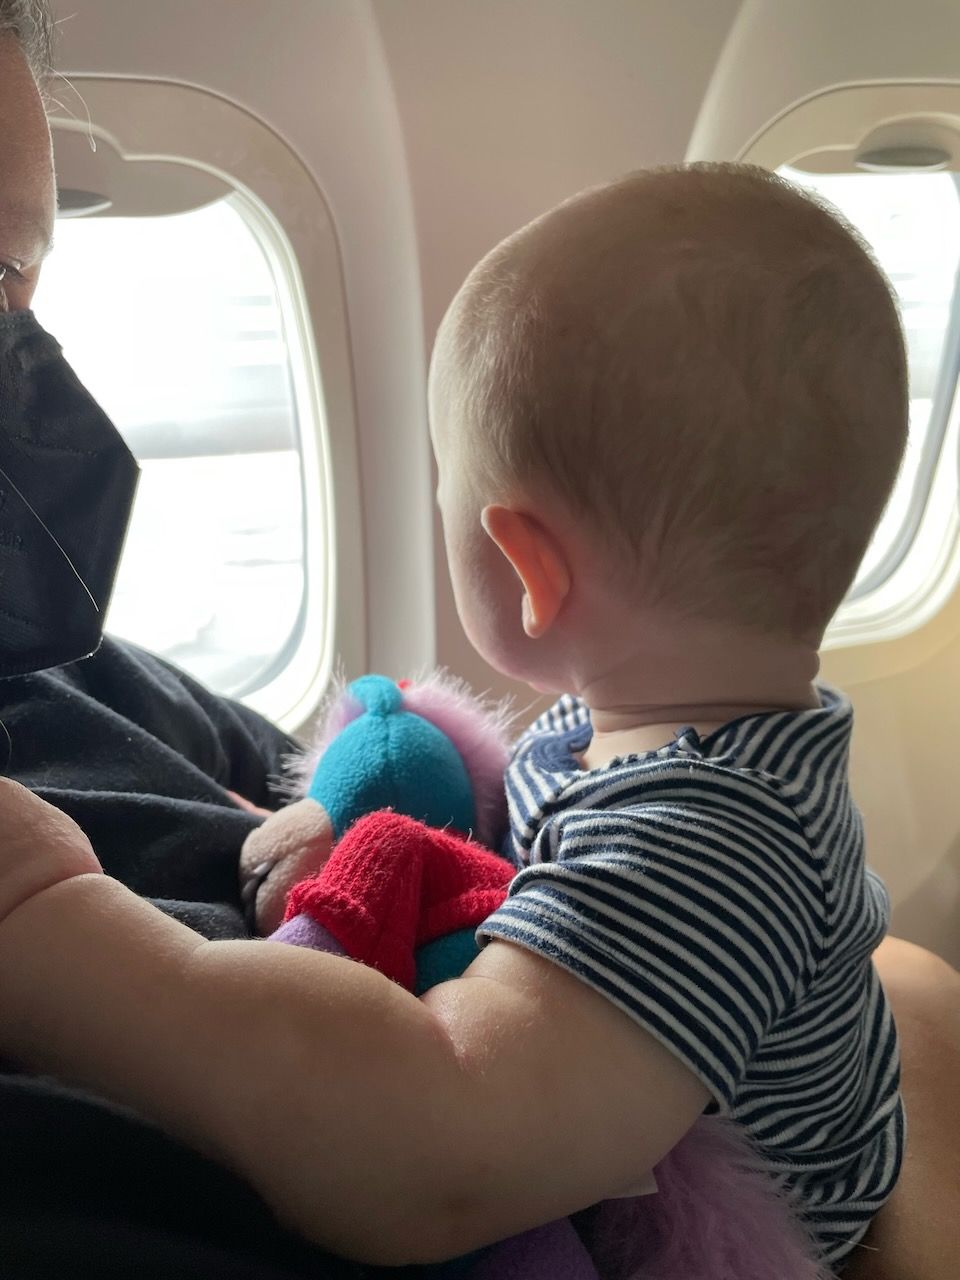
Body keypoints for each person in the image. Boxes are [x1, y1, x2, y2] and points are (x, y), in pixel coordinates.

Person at [0, 4, 957, 1278]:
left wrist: (54, 925)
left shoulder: (707, 846)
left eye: (13, 283)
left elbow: (442, 1141)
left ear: (528, 567)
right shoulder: (658, 733)